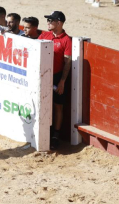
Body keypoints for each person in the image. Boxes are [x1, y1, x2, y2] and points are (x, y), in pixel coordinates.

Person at [38, 11, 72, 150]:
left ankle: (55, 136)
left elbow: (67, 63)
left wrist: (62, 81)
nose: (48, 23)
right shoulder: (45, 35)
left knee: (58, 106)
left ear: (59, 23)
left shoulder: (66, 40)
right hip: (42, 75)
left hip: (57, 76)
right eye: (48, 21)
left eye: (51, 21)